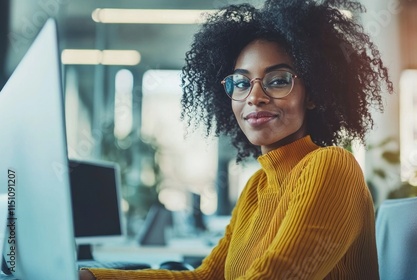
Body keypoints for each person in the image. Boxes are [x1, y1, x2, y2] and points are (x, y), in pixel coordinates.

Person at [80, 0, 392, 279]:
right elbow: (205, 277)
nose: (254, 96)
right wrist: (89, 277)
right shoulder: (257, 188)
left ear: (312, 94)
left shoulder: (332, 166)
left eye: (278, 80)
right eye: (241, 82)